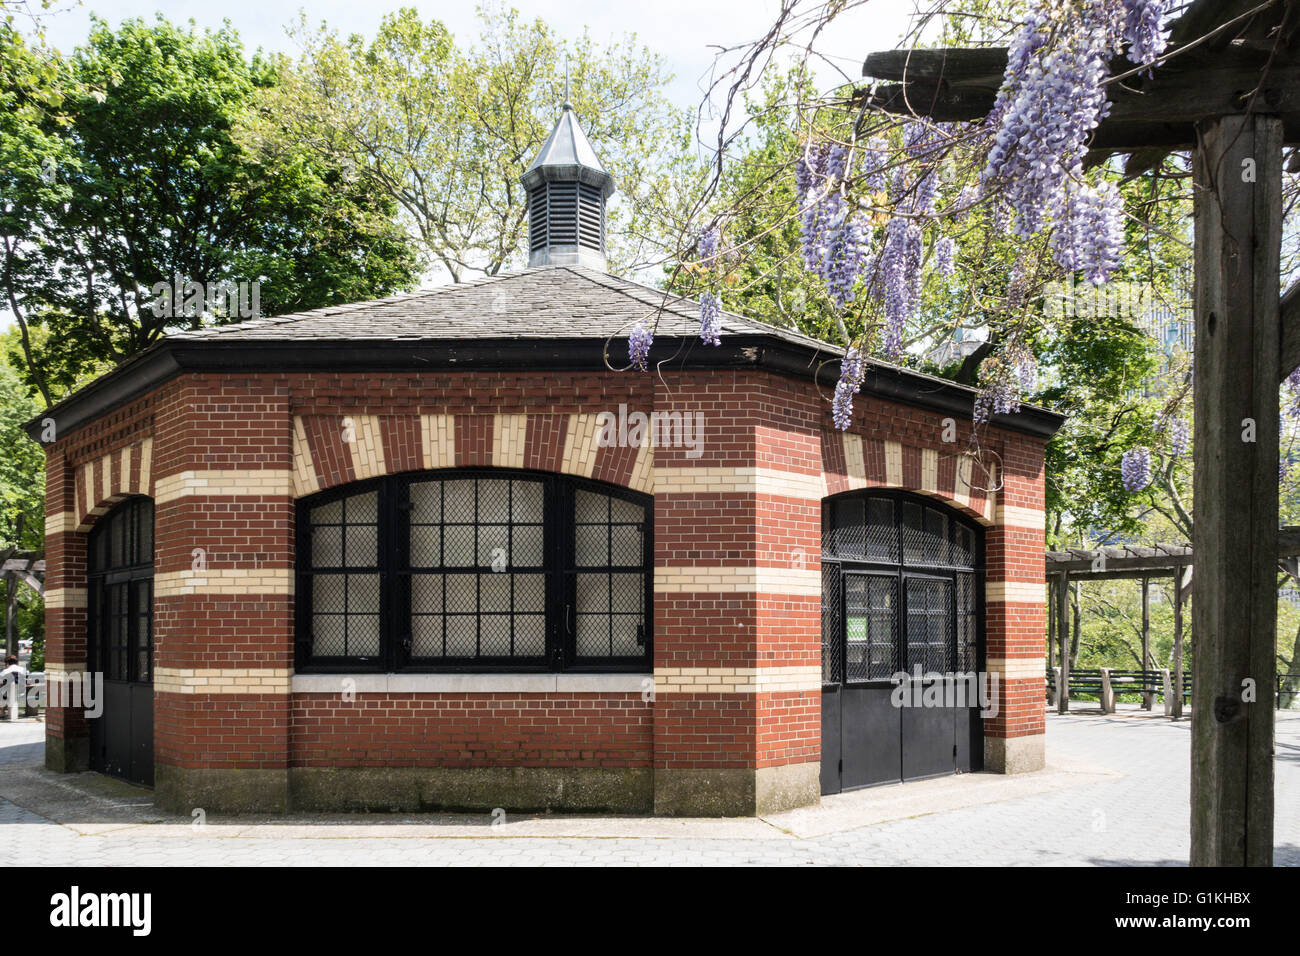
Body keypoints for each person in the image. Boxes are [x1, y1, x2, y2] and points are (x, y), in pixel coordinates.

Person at [1, 654, 25, 720]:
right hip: (22, 692)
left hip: (8, 693)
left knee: (4, 691)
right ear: (16, 662)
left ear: (7, 663)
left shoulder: (5, 671)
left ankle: (2, 711)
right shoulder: (23, 670)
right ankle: (2, 711)